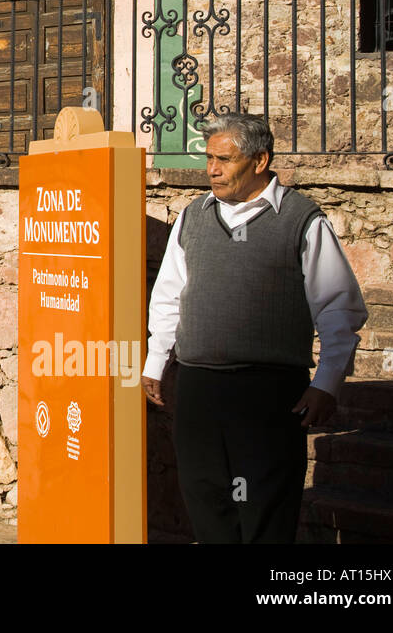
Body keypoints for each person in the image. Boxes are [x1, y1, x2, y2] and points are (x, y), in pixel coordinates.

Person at [141, 112, 367, 543]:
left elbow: (339, 309)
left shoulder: (302, 220)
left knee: (265, 510)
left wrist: (328, 383)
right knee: (207, 504)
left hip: (269, 394)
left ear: (260, 160)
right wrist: (156, 362)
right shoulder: (193, 218)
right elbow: (169, 296)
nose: (212, 169)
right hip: (198, 389)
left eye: (224, 159)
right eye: (209, 158)